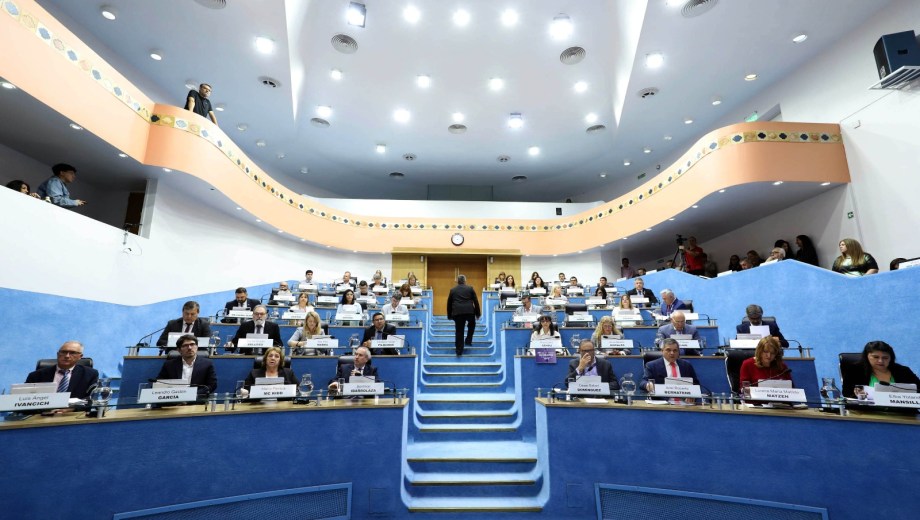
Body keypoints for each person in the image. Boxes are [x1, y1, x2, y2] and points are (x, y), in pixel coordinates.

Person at [842, 341, 920, 398]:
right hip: (866, 413)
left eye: (885, 358)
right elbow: (847, 394)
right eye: (876, 357)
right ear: (866, 357)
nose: (880, 361)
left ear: (891, 358)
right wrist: (859, 395)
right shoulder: (854, 371)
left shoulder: (903, 371)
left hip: (903, 415)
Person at [25, 341, 99, 400]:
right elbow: (24, 398)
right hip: (41, 414)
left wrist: (72, 409)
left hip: (73, 414)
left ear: (80, 357)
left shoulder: (90, 374)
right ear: (58, 354)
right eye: (63, 352)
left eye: (72, 353)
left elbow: (91, 398)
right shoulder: (36, 375)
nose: (67, 356)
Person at [447, 274, 481, 356]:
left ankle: (459, 351)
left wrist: (449, 315)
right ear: (465, 281)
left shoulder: (453, 290)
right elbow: (475, 301)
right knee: (472, 325)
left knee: (459, 331)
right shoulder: (470, 288)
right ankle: (468, 340)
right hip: (469, 311)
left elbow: (449, 303)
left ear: (457, 281)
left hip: (458, 312)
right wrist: (478, 313)